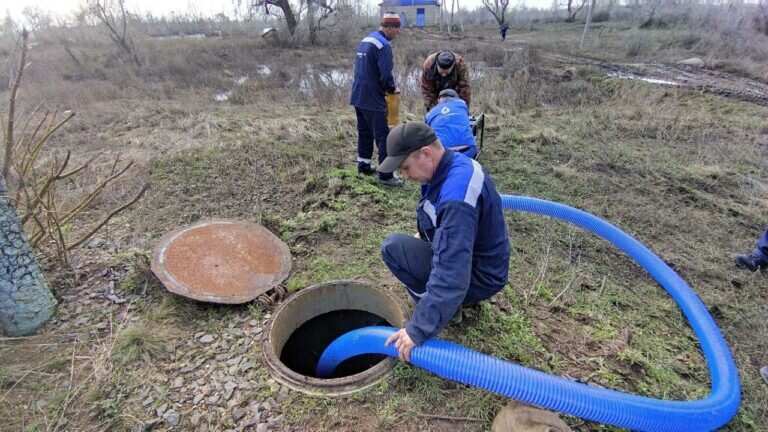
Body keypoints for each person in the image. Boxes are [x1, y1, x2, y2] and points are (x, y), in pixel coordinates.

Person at [378, 121, 510, 362]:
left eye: (405, 168)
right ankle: (449, 304)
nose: (405, 176)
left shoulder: (456, 198)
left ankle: (447, 311)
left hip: (478, 275)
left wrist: (417, 330)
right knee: (402, 246)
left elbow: (452, 273)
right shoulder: (450, 167)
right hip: (481, 262)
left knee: (392, 248)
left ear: (426, 154)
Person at [350, 11, 403, 187]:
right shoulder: (383, 45)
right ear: (389, 27)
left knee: (364, 132)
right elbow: (385, 74)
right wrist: (392, 88)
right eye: (397, 29)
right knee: (383, 136)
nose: (397, 33)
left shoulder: (366, 40)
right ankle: (386, 175)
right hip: (373, 98)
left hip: (358, 95)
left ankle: (363, 165)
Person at [425, 89, 477, 159]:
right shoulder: (462, 104)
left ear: (438, 100)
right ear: (456, 97)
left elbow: (426, 133)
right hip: (468, 150)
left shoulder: (429, 114)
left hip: (443, 154)